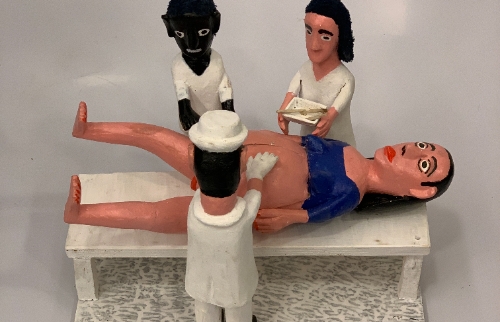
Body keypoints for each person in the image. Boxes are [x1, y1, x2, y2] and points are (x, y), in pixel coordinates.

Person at [64, 102, 454, 234]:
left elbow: (306, 215)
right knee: (151, 134)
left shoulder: (351, 193)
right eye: (421, 145)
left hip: (237, 194)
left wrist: (280, 218)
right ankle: (88, 129)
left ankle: (80, 214)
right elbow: (300, 142)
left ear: (419, 190)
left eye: (423, 162)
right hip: (227, 153)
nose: (409, 149)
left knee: (159, 215)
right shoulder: (349, 150)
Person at [185, 110, 278, 322]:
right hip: (234, 280)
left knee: (203, 305)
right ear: (241, 160)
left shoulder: (193, 210)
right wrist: (256, 172)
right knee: (238, 309)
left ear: (194, 160)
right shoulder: (243, 214)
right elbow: (255, 192)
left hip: (200, 277)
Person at [278, 0, 356, 146]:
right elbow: (291, 94)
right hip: (309, 142)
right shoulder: (304, 69)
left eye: (325, 37)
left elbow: (334, 111)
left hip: (338, 144)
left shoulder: (345, 79)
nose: (313, 45)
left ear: (340, 38)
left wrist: (328, 118)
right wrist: (284, 112)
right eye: (308, 31)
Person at [161, 0, 234, 132]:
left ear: (215, 23)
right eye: (180, 34)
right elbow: (181, 89)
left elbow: (224, 85)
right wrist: (185, 110)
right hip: (194, 126)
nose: (192, 44)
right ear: (169, 27)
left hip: (219, 123)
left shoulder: (217, 61)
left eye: (203, 32)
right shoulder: (178, 65)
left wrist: (229, 110)